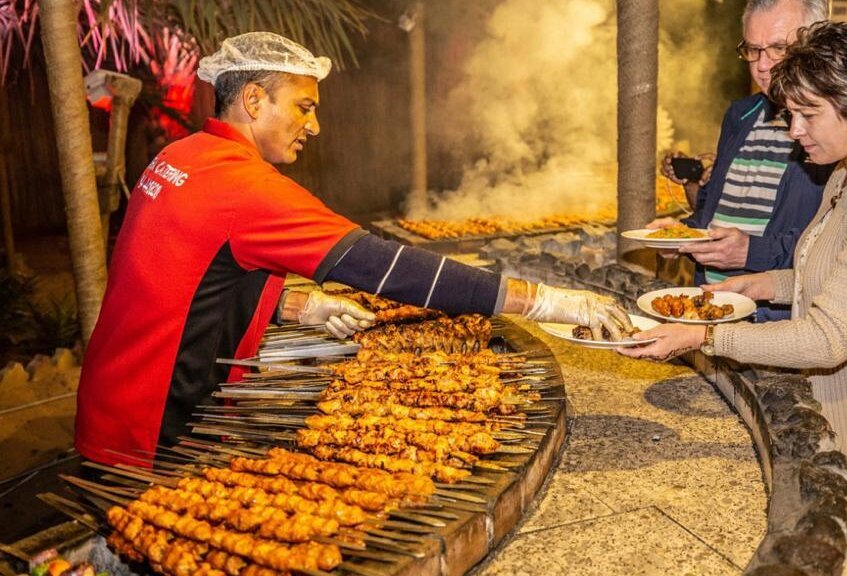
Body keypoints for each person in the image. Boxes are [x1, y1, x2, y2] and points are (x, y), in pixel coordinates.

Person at [75, 32, 633, 467]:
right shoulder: (244, 187)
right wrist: (540, 300)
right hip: (153, 426)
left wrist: (298, 306)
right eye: (304, 106)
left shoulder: (183, 156)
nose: (314, 125)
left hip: (113, 399)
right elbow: (385, 266)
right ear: (253, 99)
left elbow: (187, 275)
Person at [622, 21, 847, 575]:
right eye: (791, 114)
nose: (794, 131)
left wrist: (704, 336)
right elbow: (833, 270)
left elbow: (828, 337)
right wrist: (760, 284)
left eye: (808, 114)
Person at [654, 0, 832, 321]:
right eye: (753, 49)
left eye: (779, 48)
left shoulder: (834, 131)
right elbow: (713, 217)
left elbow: (830, 249)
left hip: (778, 323)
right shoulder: (740, 115)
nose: (762, 65)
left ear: (817, 44)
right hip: (712, 310)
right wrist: (682, 237)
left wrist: (750, 252)